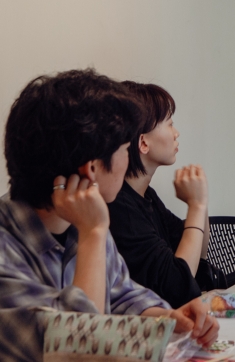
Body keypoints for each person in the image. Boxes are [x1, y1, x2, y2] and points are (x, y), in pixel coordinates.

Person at [0, 69, 218, 360]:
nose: (128, 160)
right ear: (92, 169)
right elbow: (77, 349)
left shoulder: (82, 223)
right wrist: (94, 234)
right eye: (125, 149)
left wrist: (169, 318)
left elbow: (124, 297)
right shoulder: (85, 228)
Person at [108, 81, 216, 309]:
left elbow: (198, 255)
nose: (176, 133)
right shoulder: (119, 207)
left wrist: (201, 202)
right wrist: (196, 205)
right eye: (169, 124)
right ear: (143, 142)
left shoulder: (146, 196)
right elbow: (178, 285)